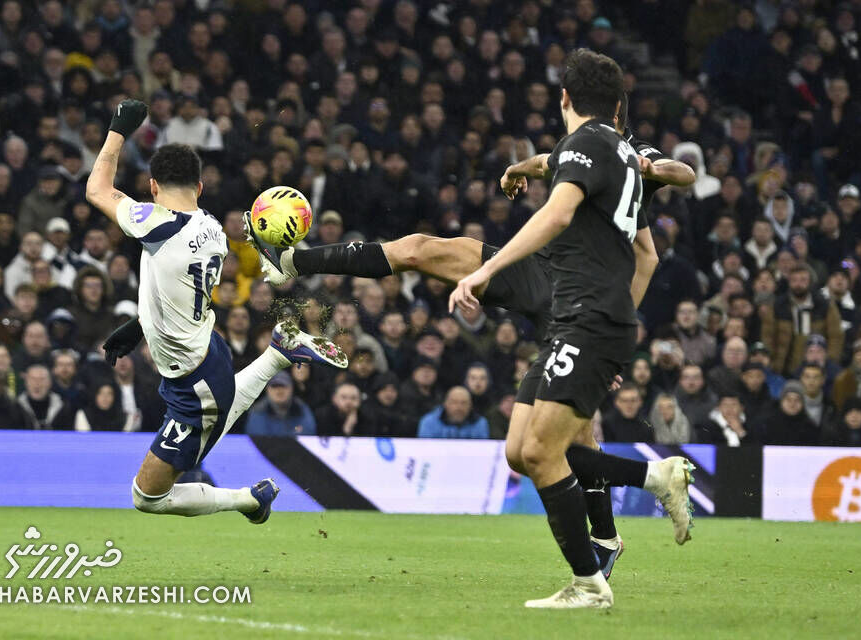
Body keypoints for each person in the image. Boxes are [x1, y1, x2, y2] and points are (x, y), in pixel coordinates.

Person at [257, 73, 697, 589]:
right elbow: (552, 164)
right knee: (419, 249)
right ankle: (293, 261)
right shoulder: (580, 146)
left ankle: (608, 535)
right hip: (541, 270)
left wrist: (651, 168)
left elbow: (680, 176)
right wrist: (517, 168)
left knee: (567, 439)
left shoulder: (627, 153)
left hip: (578, 298)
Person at [448, 51, 695, 608]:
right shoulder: (619, 152)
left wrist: (485, 270)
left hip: (588, 316)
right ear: (616, 105)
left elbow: (557, 212)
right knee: (521, 450)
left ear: (563, 98)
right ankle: (655, 478)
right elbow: (646, 251)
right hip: (584, 317)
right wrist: (521, 167)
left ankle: (589, 583)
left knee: (541, 452)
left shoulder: (588, 146)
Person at [85, 100, 346, 523]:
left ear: (153, 187)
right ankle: (278, 354)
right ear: (201, 187)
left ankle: (250, 498)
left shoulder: (154, 222)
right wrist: (140, 325)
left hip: (195, 379)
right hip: (206, 354)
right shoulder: (213, 230)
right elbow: (175, 286)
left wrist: (118, 129)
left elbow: (97, 190)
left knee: (147, 496)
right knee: (214, 418)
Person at [244, 371, 316, 437]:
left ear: (291, 388)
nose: (279, 390)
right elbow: (257, 439)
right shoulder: (258, 411)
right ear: (267, 389)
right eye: (274, 386)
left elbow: (308, 436)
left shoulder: (301, 409)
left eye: (283, 386)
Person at [753, 381, 820, 445]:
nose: (792, 404)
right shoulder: (767, 426)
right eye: (788, 399)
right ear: (781, 401)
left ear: (802, 403)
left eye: (797, 400)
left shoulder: (810, 428)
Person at [417, 385, 489, 439]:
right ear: (445, 404)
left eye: (464, 403)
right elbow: (426, 449)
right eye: (454, 402)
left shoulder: (480, 423)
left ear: (470, 405)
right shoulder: (429, 422)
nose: (459, 407)